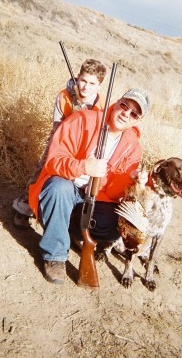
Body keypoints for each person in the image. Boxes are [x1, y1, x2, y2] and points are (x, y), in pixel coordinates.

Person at [28, 88, 150, 285]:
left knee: (115, 225)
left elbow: (113, 193)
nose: (126, 113)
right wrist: (84, 166)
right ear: (116, 102)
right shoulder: (82, 120)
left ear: (137, 121)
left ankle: (73, 233)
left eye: (134, 113)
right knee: (57, 189)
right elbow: (53, 161)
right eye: (124, 105)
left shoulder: (132, 145)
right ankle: (55, 256)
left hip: (96, 198)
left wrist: (131, 180)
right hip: (66, 185)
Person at [13, 59, 107, 228]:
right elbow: (57, 128)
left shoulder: (102, 105)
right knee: (42, 171)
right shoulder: (64, 96)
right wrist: (75, 118)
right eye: (83, 81)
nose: (86, 87)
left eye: (92, 83)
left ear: (99, 86)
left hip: (86, 148)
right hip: (61, 142)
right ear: (78, 77)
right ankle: (23, 208)